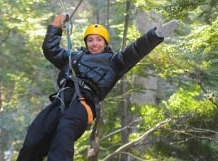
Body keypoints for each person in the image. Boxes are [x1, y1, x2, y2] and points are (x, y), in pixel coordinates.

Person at [16, 13, 178, 161]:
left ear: (105, 42)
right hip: (61, 100)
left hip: (83, 103)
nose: (94, 44)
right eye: (90, 40)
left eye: (98, 40)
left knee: (64, 131)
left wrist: (155, 35)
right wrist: (57, 24)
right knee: (34, 136)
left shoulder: (114, 62)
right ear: (86, 43)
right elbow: (50, 50)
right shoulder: (73, 57)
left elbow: (135, 51)